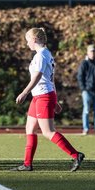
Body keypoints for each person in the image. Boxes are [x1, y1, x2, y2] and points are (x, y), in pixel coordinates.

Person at [11, 27, 84, 172]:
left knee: (48, 131)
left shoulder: (42, 55)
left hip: (43, 96)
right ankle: (27, 164)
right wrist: (55, 99)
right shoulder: (44, 54)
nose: (27, 44)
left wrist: (24, 92)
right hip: (40, 96)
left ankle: (76, 155)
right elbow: (50, 79)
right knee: (29, 129)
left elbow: (38, 77)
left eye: (27, 41)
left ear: (34, 39)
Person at [77, 44, 95, 135]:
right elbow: (80, 77)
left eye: (94, 51)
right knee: (86, 110)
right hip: (87, 91)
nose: (92, 53)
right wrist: (83, 89)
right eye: (91, 51)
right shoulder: (84, 63)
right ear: (87, 52)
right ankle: (85, 128)